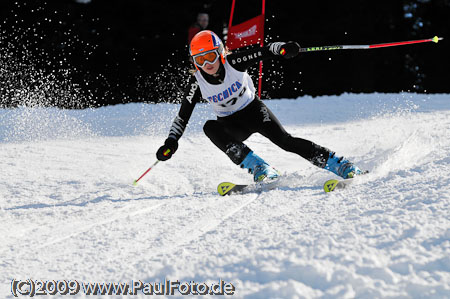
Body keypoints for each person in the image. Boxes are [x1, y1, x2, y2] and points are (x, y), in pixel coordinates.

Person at [156, 30, 363, 184]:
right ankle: (259, 166)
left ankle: (339, 164)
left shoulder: (233, 62)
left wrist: (283, 48)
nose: (206, 64)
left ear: (219, 52)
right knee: (210, 127)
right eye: (199, 60)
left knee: (285, 141)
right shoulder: (197, 82)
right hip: (231, 124)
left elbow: (265, 51)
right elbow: (182, 118)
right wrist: (171, 142)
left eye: (210, 56)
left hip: (254, 111)